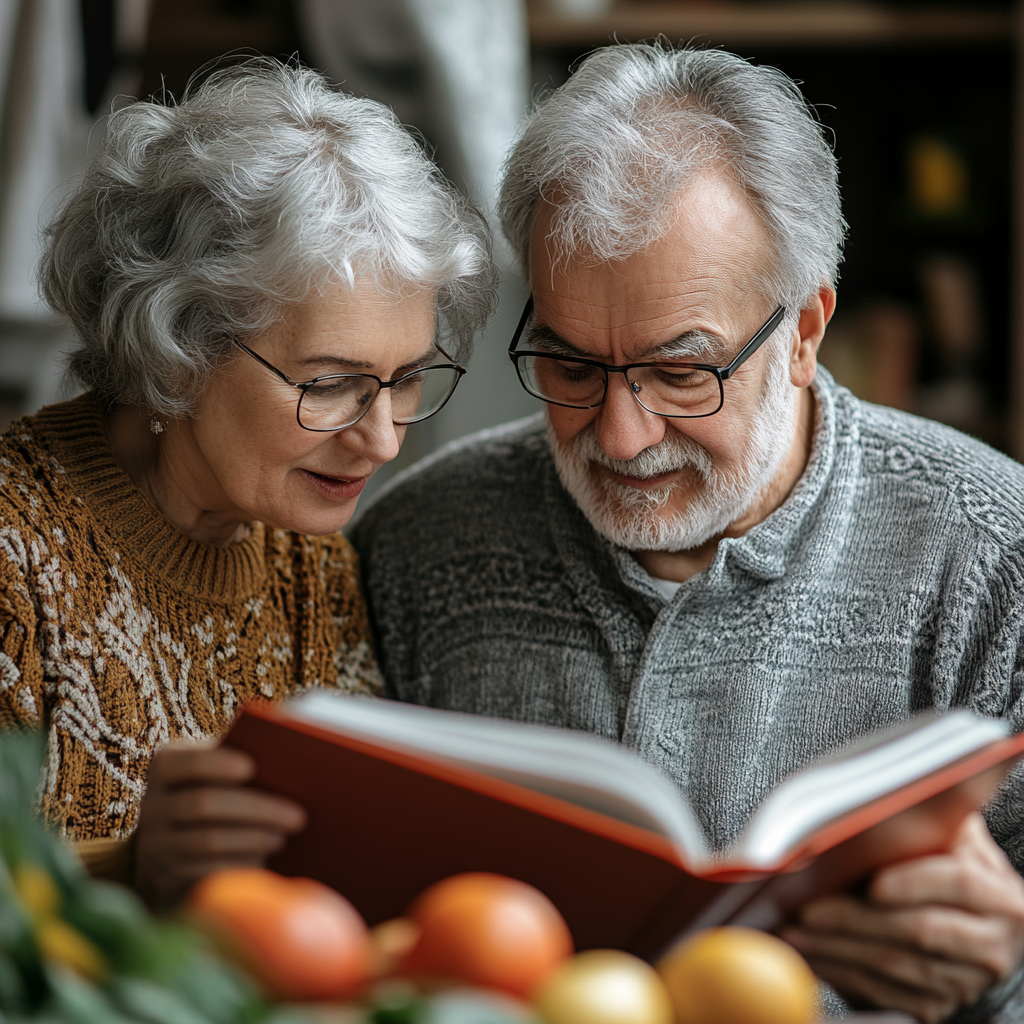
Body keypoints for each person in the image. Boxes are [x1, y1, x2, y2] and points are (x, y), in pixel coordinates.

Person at [353, 42, 1024, 1023]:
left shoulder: (996, 551)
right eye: (571, 366)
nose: (620, 436)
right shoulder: (416, 541)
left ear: (803, 332)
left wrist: (1005, 962)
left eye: (680, 372)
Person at [0, 59, 495, 908]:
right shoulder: (17, 552)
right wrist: (130, 873)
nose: (380, 440)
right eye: (329, 383)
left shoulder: (312, 566)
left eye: (407, 377)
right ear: (179, 350)